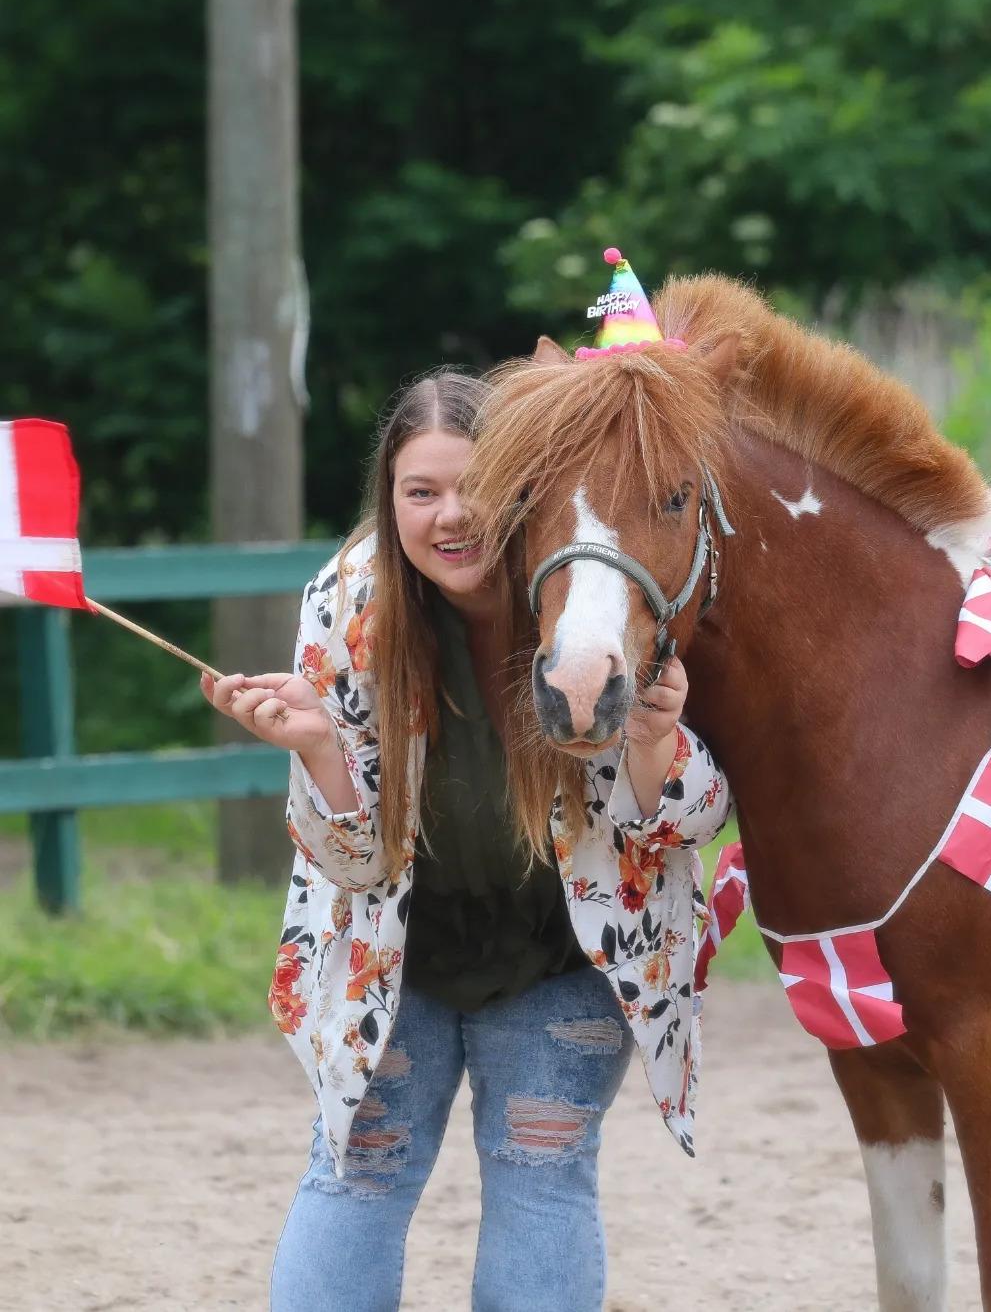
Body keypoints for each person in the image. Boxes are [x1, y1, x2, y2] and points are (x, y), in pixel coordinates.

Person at [202, 368, 731, 1312]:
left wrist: (654, 743)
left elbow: (687, 826)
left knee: (542, 1179)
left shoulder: (594, 593)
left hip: (562, 957)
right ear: (390, 501)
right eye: (421, 492)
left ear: (525, 483)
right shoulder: (349, 605)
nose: (453, 516)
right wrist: (320, 750)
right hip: (392, 960)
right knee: (357, 1177)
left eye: (477, 487)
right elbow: (354, 863)